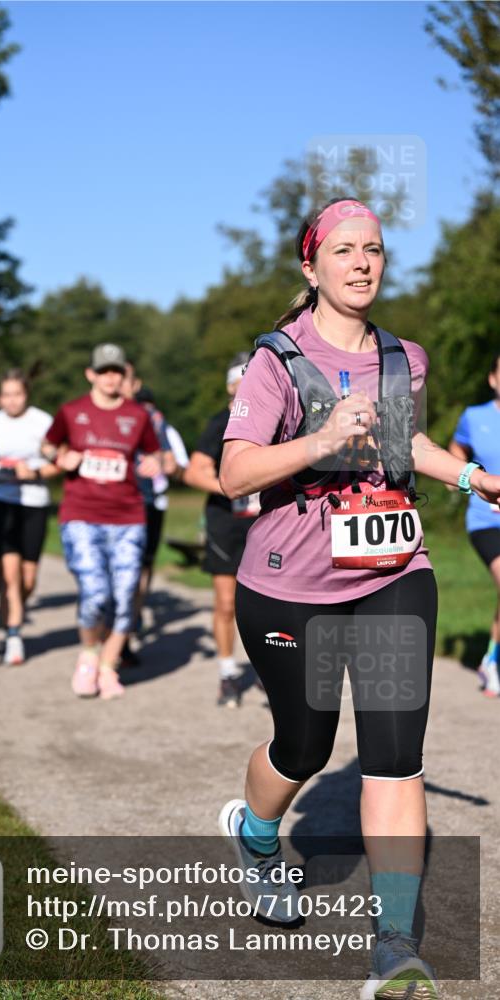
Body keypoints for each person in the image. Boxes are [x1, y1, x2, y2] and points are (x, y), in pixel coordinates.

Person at [216, 198, 500, 1000]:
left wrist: (476, 479)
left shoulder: (404, 356)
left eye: (372, 249)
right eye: (344, 250)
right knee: (303, 748)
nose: (362, 263)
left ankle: (395, 947)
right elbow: (236, 472)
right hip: (288, 585)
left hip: (393, 572)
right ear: (310, 267)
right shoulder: (275, 360)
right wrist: (316, 440)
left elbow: (403, 442)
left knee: (393, 757)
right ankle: (261, 839)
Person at [43, 343, 161, 699]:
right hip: (81, 514)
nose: (111, 377)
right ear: (90, 374)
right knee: (95, 593)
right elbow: (47, 446)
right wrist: (60, 456)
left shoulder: (137, 415)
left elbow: (156, 454)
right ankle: (89, 655)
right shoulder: (71, 411)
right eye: (104, 371)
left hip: (128, 517)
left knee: (126, 595)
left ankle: (109, 668)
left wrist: (154, 463)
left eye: (117, 371)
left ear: (124, 376)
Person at [184, 353, 260, 707]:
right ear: (232, 387)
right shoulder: (220, 423)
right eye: (242, 384)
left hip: (267, 522)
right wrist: (231, 484)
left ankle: (268, 671)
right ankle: (228, 672)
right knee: (227, 602)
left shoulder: (276, 420)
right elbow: (193, 472)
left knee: (271, 603)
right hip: (226, 523)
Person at [0, 369, 58, 666]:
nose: (13, 401)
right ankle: (13, 635)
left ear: (26, 395)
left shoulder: (42, 421)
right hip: (0, 500)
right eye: (7, 395)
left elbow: (59, 460)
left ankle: (9, 602)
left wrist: (35, 470)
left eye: (18, 394)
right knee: (9, 575)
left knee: (27, 579)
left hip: (34, 502)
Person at [120, 365, 188, 662]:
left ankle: (127, 631)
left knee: (137, 568)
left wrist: (162, 461)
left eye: (126, 379)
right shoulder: (88, 413)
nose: (120, 384)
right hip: (101, 507)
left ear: (136, 384)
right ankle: (113, 632)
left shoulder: (152, 418)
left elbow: (171, 461)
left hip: (143, 504)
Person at [449, 352, 500, 697]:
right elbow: (456, 448)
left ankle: (491, 659)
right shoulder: (474, 416)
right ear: (493, 379)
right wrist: (459, 476)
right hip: (486, 520)